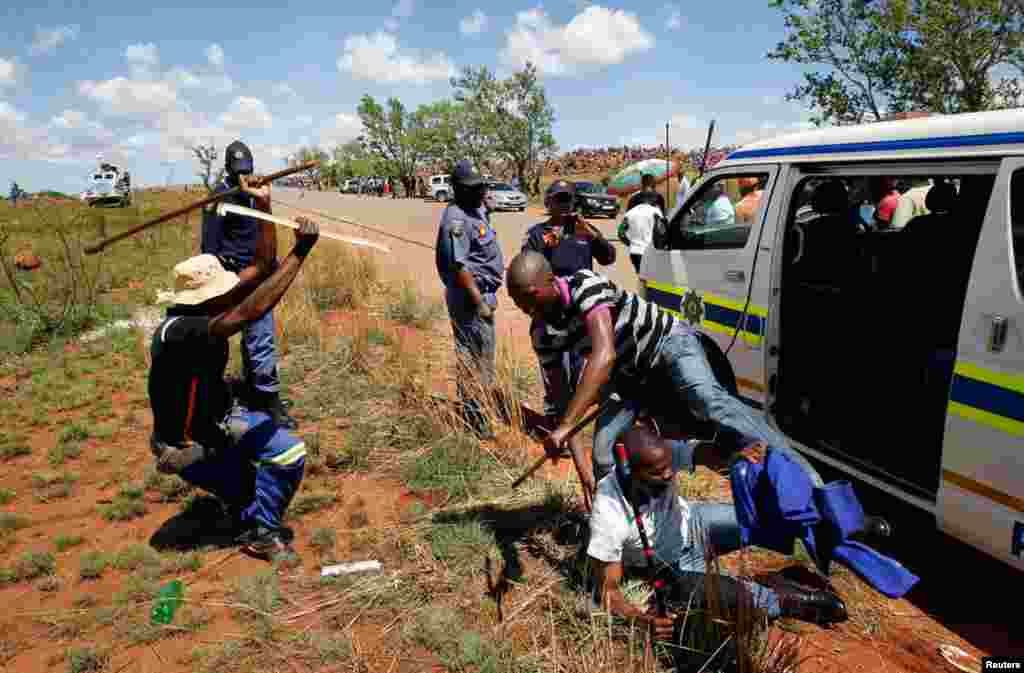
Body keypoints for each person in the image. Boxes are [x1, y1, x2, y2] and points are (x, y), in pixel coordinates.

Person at [505, 252, 822, 490]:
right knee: (602, 451)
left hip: (668, 344)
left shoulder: (585, 285)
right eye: (518, 303)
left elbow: (603, 355)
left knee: (708, 400)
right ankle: (621, 525)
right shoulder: (542, 334)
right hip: (630, 375)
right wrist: (583, 470)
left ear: (549, 280)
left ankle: (807, 475)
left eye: (530, 297)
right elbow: (562, 404)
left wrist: (565, 426)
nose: (526, 309)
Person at [148, 215, 321, 563]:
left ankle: (240, 500)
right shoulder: (183, 330)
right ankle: (262, 535)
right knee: (288, 453)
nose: (231, 291)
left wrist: (262, 204)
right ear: (207, 298)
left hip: (214, 425)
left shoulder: (199, 314)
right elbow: (250, 310)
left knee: (247, 489)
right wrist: (301, 250)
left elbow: (262, 267)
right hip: (188, 445)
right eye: (224, 290)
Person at [589, 426, 848, 640]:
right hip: (671, 565)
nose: (669, 474)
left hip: (696, 522)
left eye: (669, 466)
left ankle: (840, 527)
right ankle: (780, 598)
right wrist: (642, 621)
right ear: (628, 471)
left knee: (761, 515)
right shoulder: (609, 514)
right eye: (657, 473)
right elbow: (608, 592)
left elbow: (702, 453)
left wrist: (731, 451)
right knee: (747, 602)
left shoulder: (660, 455)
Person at [201, 140, 298, 430]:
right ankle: (218, 398)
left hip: (259, 277)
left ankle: (265, 397)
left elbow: (267, 233)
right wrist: (219, 284)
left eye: (248, 169)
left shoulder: (257, 194)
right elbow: (209, 245)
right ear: (228, 170)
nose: (244, 175)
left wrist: (263, 200)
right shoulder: (219, 199)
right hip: (231, 280)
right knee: (218, 341)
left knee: (260, 340)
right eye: (238, 171)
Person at [522, 179, 616, 447]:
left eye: (569, 199)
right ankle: (554, 428)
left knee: (578, 375)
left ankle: (569, 431)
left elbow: (609, 257)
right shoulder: (537, 235)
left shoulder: (584, 230)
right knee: (555, 378)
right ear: (548, 202)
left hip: (580, 317)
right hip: (550, 317)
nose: (565, 204)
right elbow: (527, 269)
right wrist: (548, 245)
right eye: (559, 198)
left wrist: (592, 234)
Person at [435, 161, 505, 439]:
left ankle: (474, 413)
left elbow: (482, 217)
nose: (481, 192)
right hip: (470, 299)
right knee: (478, 361)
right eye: (474, 188)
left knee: (476, 358)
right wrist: (480, 303)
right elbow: (460, 267)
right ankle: (478, 420)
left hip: (479, 295)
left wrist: (487, 205)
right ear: (458, 190)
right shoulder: (456, 220)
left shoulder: (474, 207)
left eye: (482, 186)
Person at [619, 200, 662, 273]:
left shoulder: (630, 213)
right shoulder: (656, 212)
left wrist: (630, 244)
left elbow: (621, 232)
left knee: (642, 276)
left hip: (635, 252)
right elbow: (660, 231)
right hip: (650, 252)